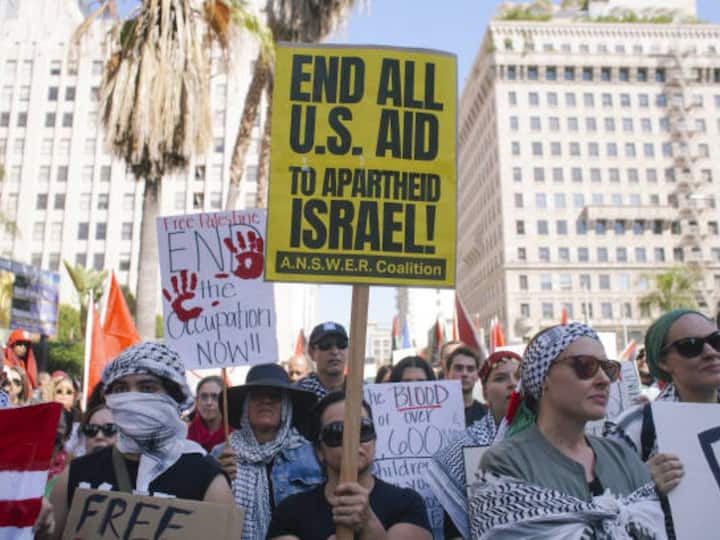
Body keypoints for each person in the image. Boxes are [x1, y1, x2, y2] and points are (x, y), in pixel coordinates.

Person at [472, 323, 663, 538]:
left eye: (607, 368)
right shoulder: (505, 464)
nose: (603, 380)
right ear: (544, 377)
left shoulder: (623, 457)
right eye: (585, 366)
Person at [48, 342, 233, 539]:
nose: (132, 398)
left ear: (174, 397)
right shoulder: (77, 473)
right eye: (120, 389)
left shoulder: (207, 479)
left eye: (146, 387)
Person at [606, 309, 720, 536]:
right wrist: (641, 483)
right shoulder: (634, 427)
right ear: (663, 362)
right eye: (690, 346)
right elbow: (603, 505)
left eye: (716, 341)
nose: (710, 352)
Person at [267, 391, 432, 540]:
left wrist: (368, 524)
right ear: (319, 451)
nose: (351, 440)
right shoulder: (291, 512)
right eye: (336, 433)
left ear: (374, 440)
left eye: (363, 429)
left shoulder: (407, 503)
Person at [214, 363, 322, 540]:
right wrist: (219, 480)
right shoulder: (222, 455)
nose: (266, 401)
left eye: (275, 396)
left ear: (287, 407)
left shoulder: (312, 455)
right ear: (245, 406)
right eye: (257, 395)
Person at [428, 350, 522, 538]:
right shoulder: (463, 446)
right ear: (485, 390)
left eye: (519, 377)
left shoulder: (552, 438)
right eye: (501, 378)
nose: (512, 384)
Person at [297, 322, 349, 399]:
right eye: (326, 345)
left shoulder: (365, 391)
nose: (335, 352)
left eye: (341, 344)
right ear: (312, 353)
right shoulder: (299, 393)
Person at [188, 375, 231, 452]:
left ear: (225, 401)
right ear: (197, 401)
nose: (209, 402)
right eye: (204, 396)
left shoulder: (236, 434)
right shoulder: (186, 435)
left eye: (215, 397)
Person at [446, 346, 486, 426]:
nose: (465, 374)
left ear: (477, 376)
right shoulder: (436, 414)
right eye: (458, 368)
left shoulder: (487, 415)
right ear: (447, 374)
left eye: (470, 369)